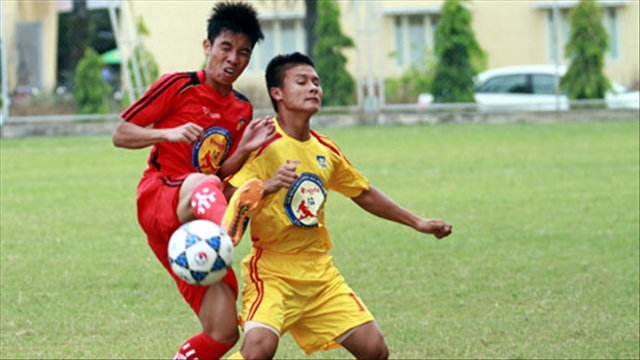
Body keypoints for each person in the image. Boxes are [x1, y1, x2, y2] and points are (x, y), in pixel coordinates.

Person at [225, 52, 453, 359]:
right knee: (258, 350)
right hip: (273, 272)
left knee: (375, 349)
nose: (313, 88)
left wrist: (418, 222)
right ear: (277, 93)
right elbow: (228, 196)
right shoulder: (262, 143)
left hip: (319, 273)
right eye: (302, 81)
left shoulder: (325, 150)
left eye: (316, 82)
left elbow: (363, 192)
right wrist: (268, 185)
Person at [112, 3, 274, 359]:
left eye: (244, 52)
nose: (233, 58)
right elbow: (121, 133)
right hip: (159, 196)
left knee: (223, 332)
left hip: (193, 221)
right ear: (208, 46)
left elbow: (216, 173)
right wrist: (168, 134)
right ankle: (227, 227)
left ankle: (223, 226)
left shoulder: (242, 110)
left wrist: (245, 148)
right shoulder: (178, 85)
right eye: (226, 47)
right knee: (204, 186)